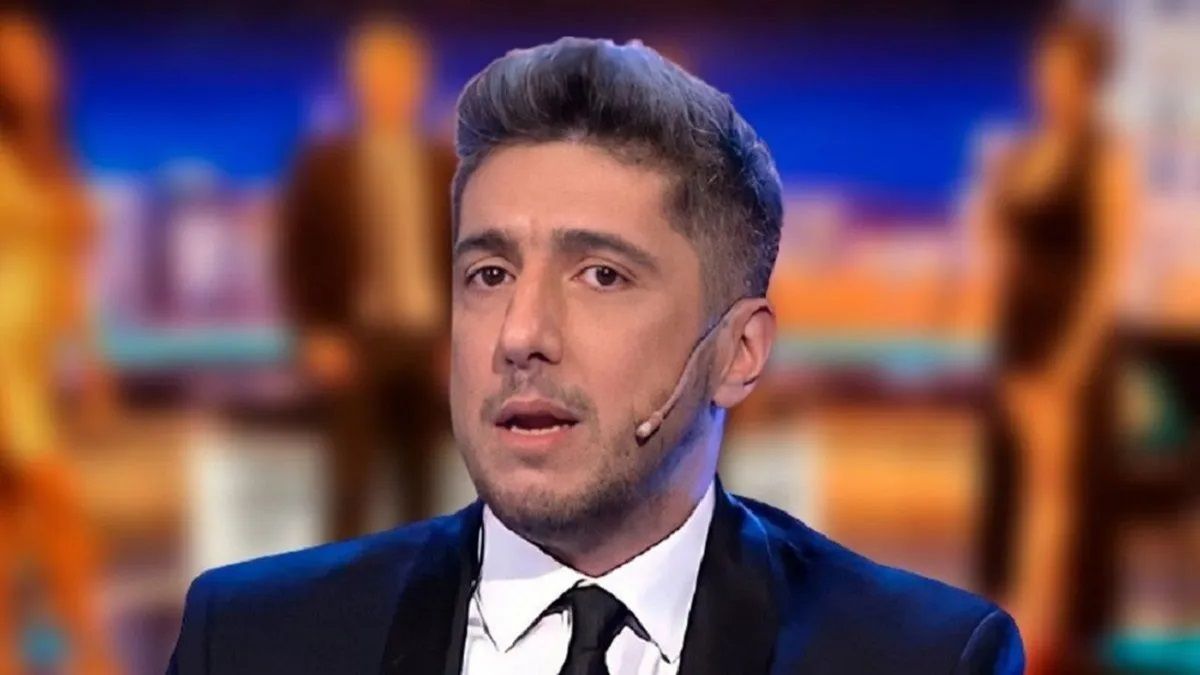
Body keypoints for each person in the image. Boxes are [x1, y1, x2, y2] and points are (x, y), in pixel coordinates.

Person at [169, 37, 1024, 674]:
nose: (520, 334)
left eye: (602, 275)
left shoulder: (923, 658)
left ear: (738, 351)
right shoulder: (248, 642)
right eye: (490, 273)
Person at [974, 14, 1133, 674]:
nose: (1050, 82)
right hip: (1019, 340)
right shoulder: (1023, 153)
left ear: (1089, 79)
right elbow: (999, 245)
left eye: (1063, 71)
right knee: (1016, 492)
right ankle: (1013, 620)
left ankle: (1046, 632)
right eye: (1044, 69)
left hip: (1069, 347)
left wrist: (1071, 361)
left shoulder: (1106, 157)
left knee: (1055, 495)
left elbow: (1107, 273)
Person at [279, 17, 455, 539]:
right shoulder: (323, 164)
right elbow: (296, 255)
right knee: (349, 492)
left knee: (421, 493)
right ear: (356, 83)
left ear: (418, 81)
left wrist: (460, 340)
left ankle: (420, 592)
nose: (388, 88)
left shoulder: (446, 165)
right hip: (353, 344)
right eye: (377, 76)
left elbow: (469, 257)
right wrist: (314, 333)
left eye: (399, 76)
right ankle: (346, 593)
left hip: (428, 343)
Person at [0, 10, 119, 675]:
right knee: (56, 501)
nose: (28, 71)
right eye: (11, 59)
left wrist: (91, 358)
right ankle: (92, 650)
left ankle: (11, 653)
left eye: (35, 57)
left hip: (34, 356)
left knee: (12, 509)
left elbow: (68, 275)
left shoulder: (56, 152)